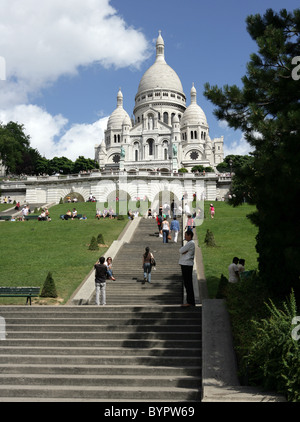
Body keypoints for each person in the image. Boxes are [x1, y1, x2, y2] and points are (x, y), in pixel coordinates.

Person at [179, 230, 195, 307]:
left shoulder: (191, 243)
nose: (184, 237)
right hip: (185, 264)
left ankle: (190, 301)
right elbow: (182, 251)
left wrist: (184, 251)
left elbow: (181, 250)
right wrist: (184, 251)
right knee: (187, 283)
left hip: (187, 264)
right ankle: (190, 301)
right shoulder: (189, 243)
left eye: (185, 235)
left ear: (189, 236)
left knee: (188, 283)